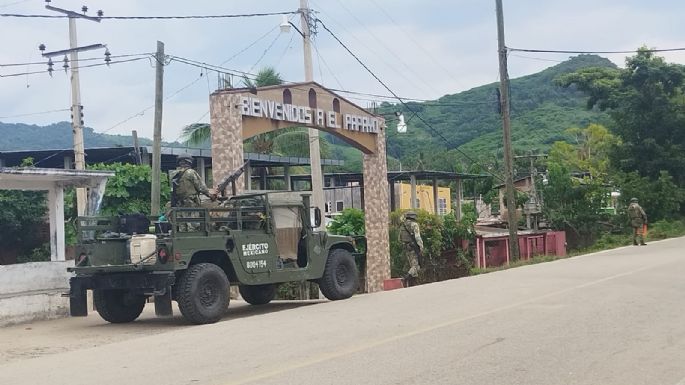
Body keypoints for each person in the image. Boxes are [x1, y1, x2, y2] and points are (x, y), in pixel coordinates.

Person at [170, 154, 216, 231]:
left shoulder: (174, 173)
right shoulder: (190, 172)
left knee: (182, 226)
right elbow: (201, 187)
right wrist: (210, 195)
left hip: (178, 203)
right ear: (189, 162)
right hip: (190, 203)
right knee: (193, 225)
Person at [400, 211, 424, 284]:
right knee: (415, 266)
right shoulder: (414, 225)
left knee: (412, 266)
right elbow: (417, 237)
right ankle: (405, 278)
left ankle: (412, 284)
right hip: (413, 247)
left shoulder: (403, 225)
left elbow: (399, 238)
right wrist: (421, 246)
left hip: (406, 247)